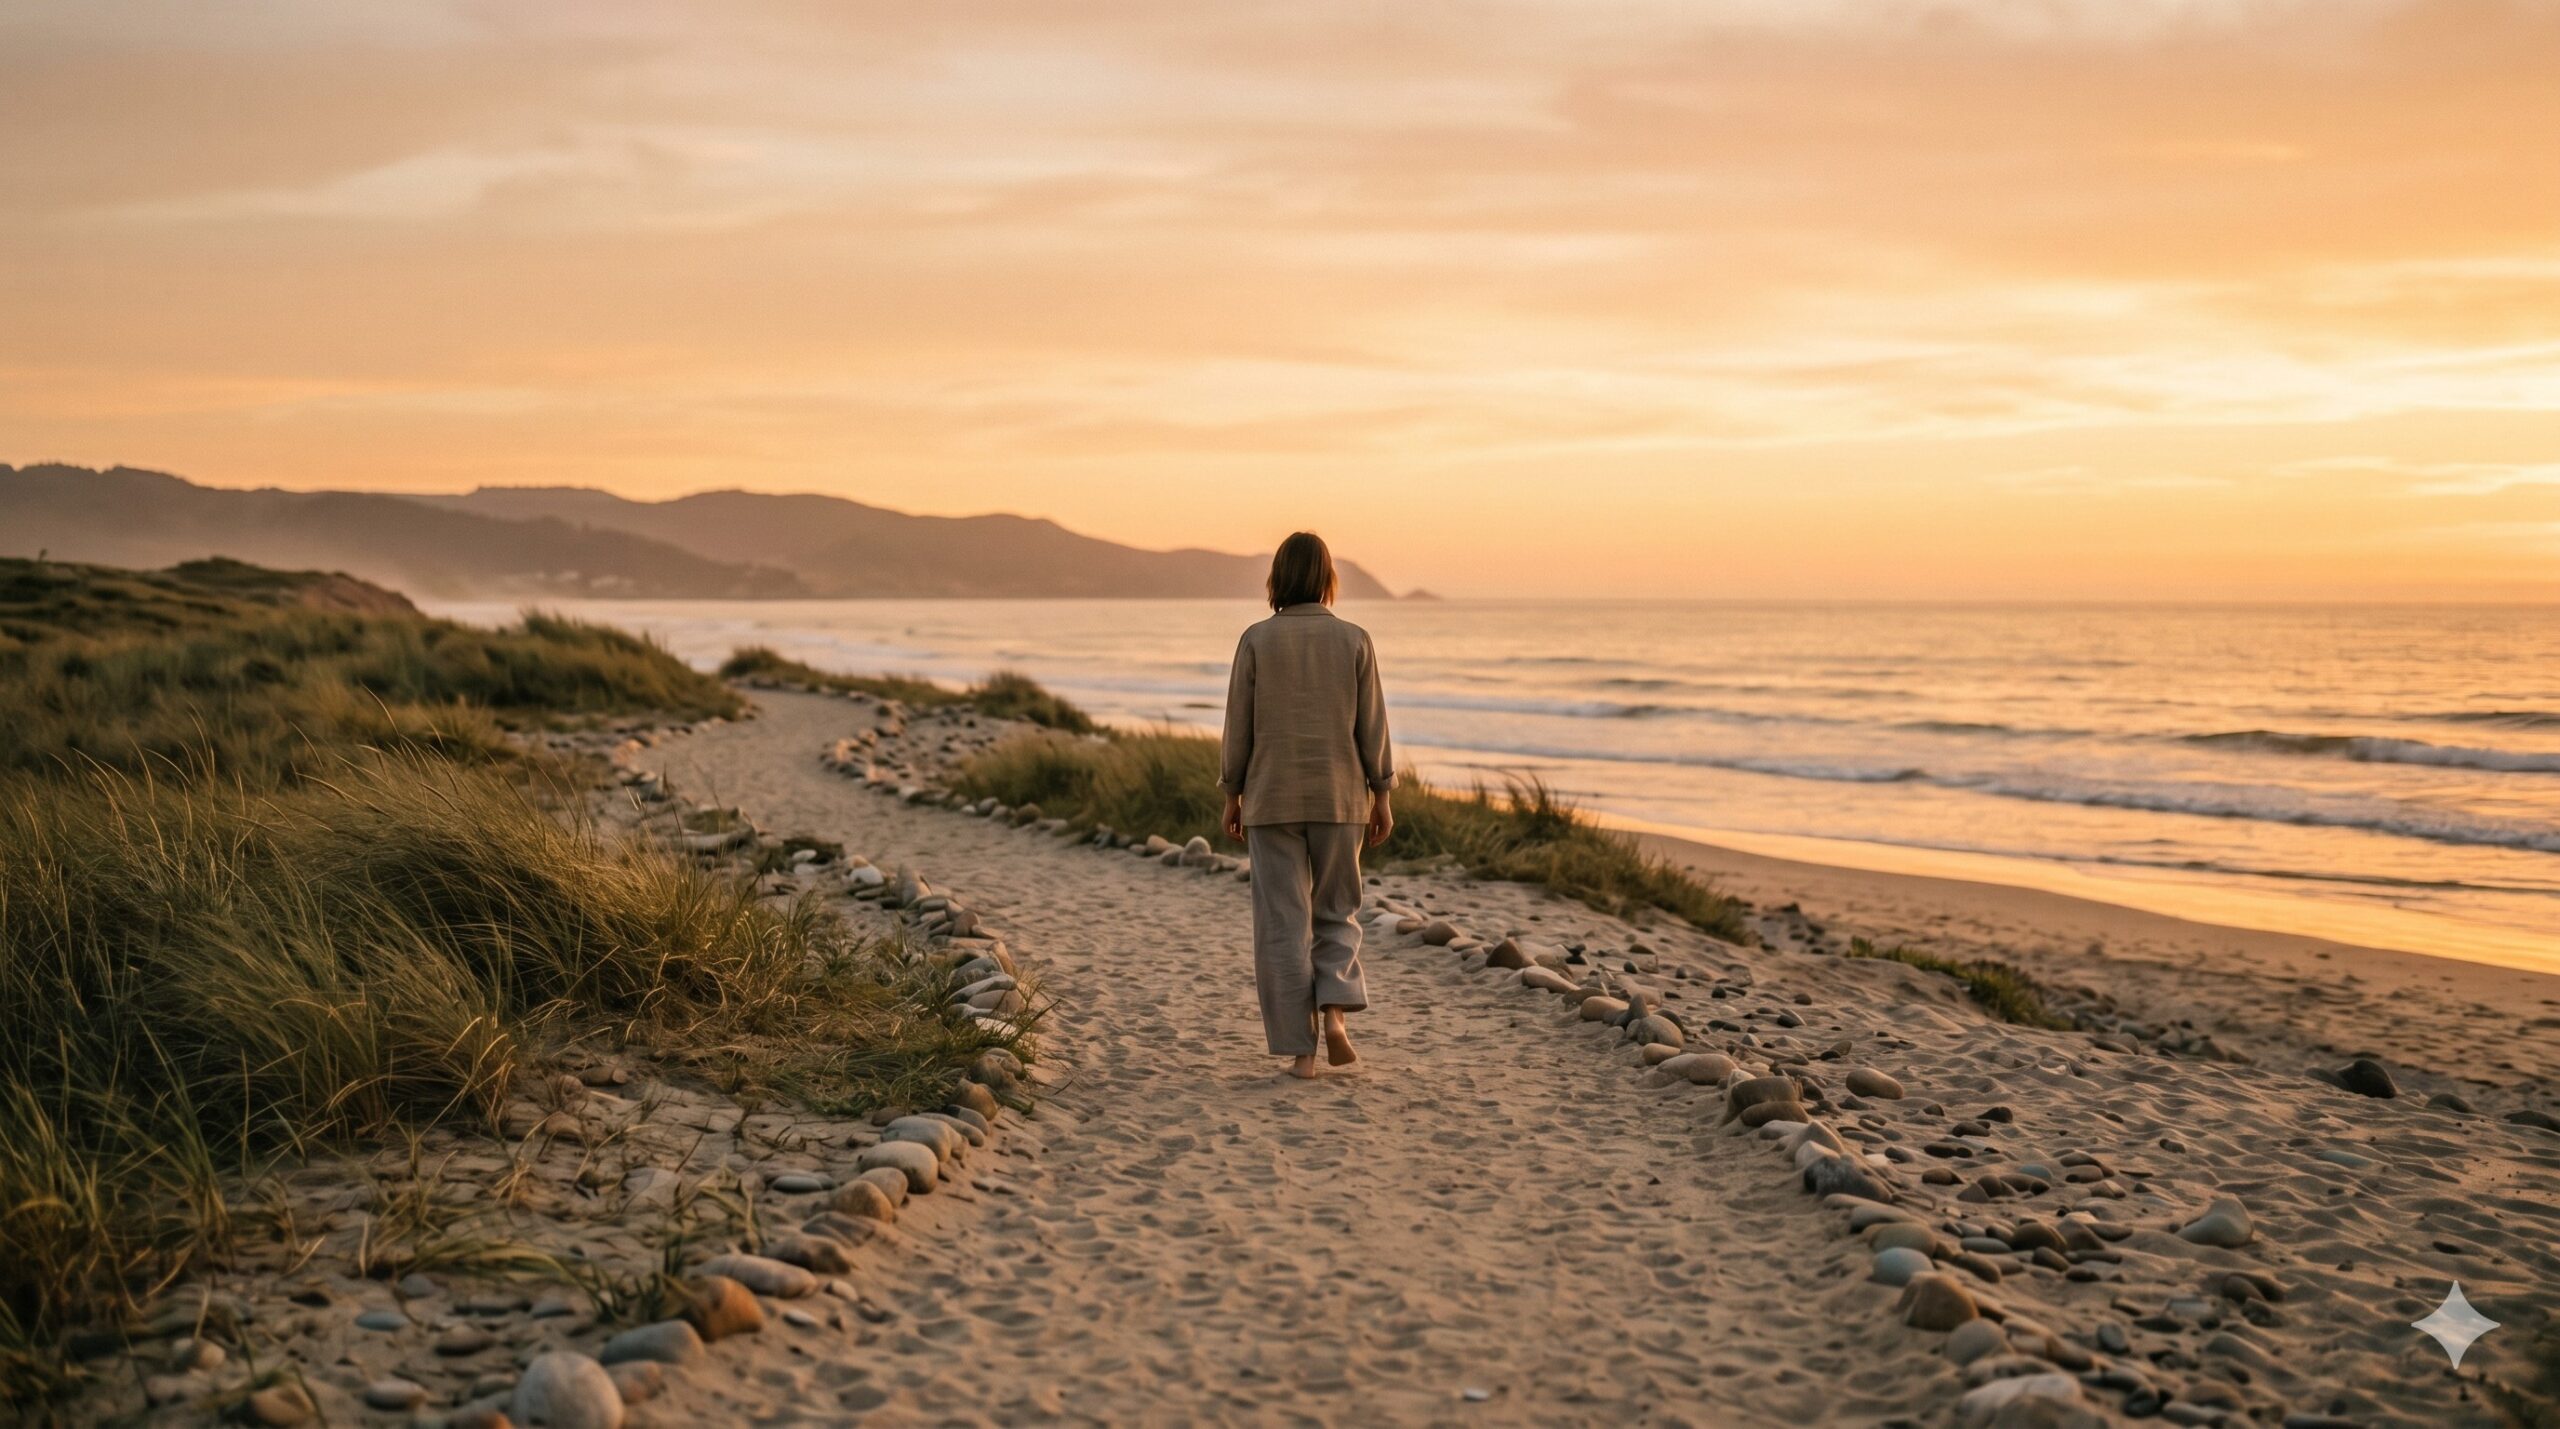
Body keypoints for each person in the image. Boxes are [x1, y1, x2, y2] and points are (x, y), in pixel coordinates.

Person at [1218, 531, 1397, 1079]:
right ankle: (1336, 1011)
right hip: (1341, 798)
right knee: (1337, 910)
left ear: (1278, 578)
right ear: (1326, 579)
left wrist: (1231, 793)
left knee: (1281, 924)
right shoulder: (1355, 640)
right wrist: (1382, 794)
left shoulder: (1256, 640)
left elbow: (1239, 725)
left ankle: (1303, 1055)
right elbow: (1372, 726)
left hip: (1270, 797)